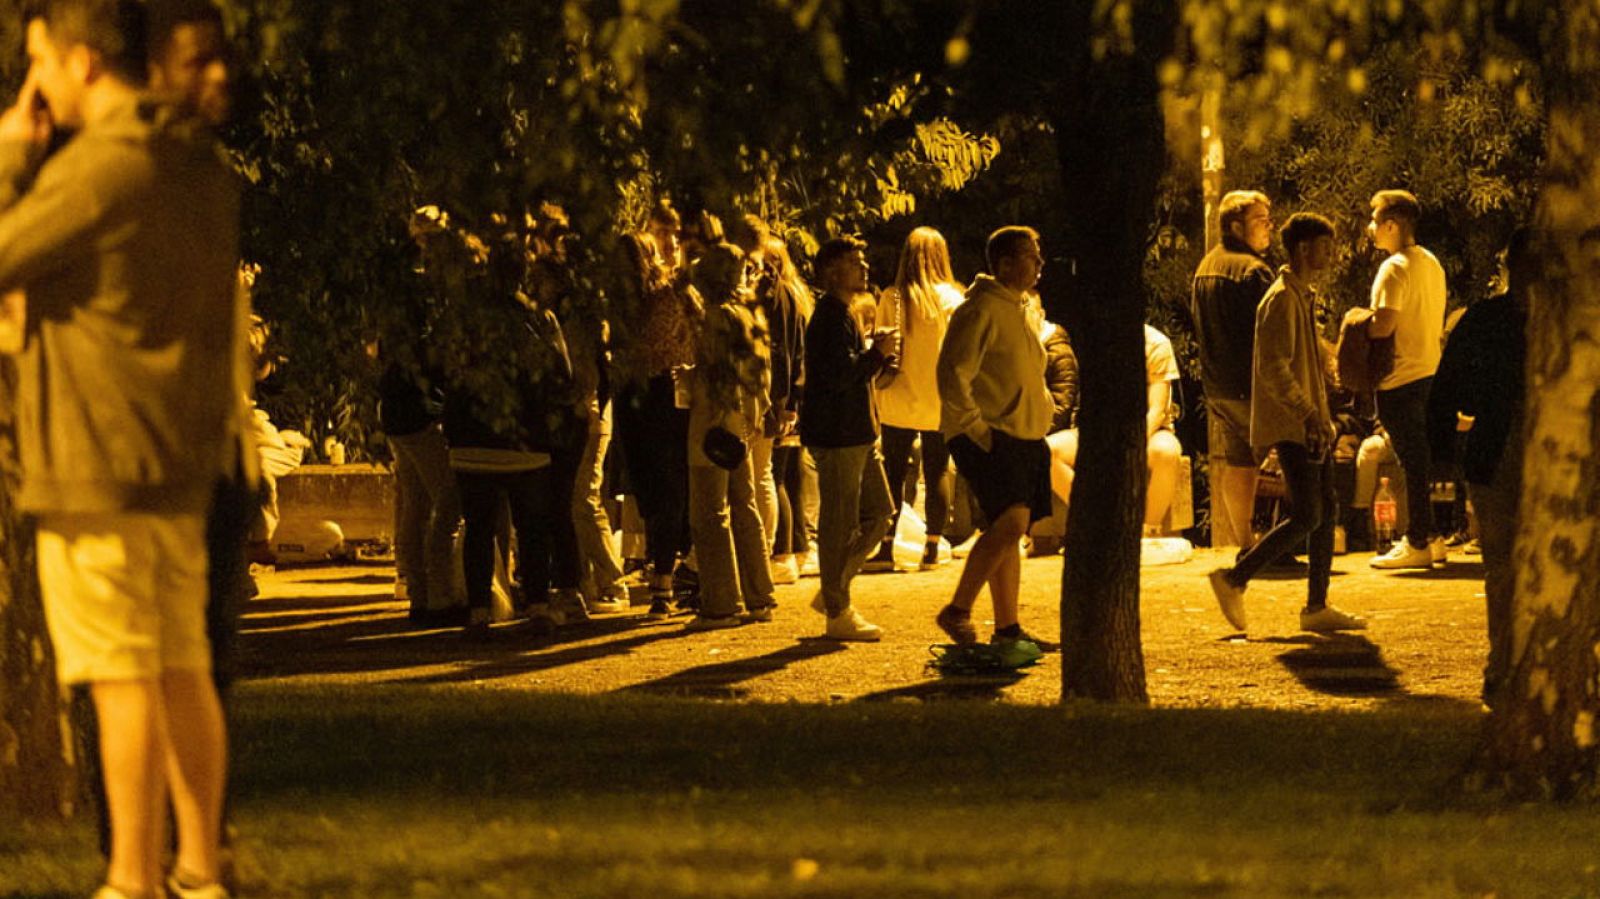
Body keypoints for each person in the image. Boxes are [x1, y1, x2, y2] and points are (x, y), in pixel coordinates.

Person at [0, 3, 241, 897]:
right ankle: (198, 869)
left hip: (96, 461)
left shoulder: (101, 168)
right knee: (182, 664)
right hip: (176, 461)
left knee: (119, 674)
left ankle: (132, 879)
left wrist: (8, 153)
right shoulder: (200, 166)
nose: (36, 86)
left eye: (40, 65)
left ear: (82, 63)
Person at [1208, 214, 1365, 634]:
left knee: (1324, 509)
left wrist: (1322, 415)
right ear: (1301, 250)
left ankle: (1316, 606)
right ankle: (1235, 578)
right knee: (1309, 514)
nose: (1330, 256)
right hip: (1295, 426)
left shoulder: (1299, 295)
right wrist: (1309, 414)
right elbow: (1275, 367)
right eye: (1324, 247)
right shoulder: (1280, 298)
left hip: (1309, 424)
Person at [933, 226, 1057, 656]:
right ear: (1004, 263)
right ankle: (958, 608)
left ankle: (1008, 628)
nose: (1039, 264)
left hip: (1020, 434)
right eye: (1030, 256)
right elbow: (953, 372)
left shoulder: (1019, 308)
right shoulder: (981, 307)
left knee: (1009, 529)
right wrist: (978, 430)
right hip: (991, 435)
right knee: (1011, 523)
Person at [1428, 228, 1532, 706]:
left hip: (1496, 446)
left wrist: (1444, 455)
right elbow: (1447, 392)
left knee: (1503, 567)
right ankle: (1511, 667)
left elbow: (1448, 390)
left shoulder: (1485, 320)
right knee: (1510, 566)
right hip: (1506, 448)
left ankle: (1506, 667)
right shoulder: (1570, 321)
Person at [800, 236, 899, 641]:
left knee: (880, 513)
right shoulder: (828, 317)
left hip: (858, 432)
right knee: (839, 521)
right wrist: (877, 354)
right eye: (855, 263)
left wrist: (878, 356)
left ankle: (833, 589)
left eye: (863, 261)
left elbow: (850, 374)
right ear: (831, 271)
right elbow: (840, 376)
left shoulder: (845, 314)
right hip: (839, 435)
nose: (865, 269)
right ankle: (838, 610)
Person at [612, 202, 702, 617]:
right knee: (654, 487)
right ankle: (670, 572)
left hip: (661, 388)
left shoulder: (670, 290)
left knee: (662, 486)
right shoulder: (648, 295)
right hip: (649, 389)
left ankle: (666, 579)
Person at [683, 242, 776, 629]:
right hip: (744, 421)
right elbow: (759, 374)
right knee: (744, 504)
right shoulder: (747, 315)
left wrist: (691, 379)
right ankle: (759, 595)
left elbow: (717, 375)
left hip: (714, 421)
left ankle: (720, 603)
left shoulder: (715, 318)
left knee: (710, 513)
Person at [867, 226, 965, 572]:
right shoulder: (953, 298)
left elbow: (881, 345)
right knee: (937, 468)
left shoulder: (892, 297)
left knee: (893, 470)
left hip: (897, 393)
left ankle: (886, 545)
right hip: (939, 396)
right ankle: (932, 546)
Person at [1364, 189, 1449, 570]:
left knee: (1411, 461)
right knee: (1422, 459)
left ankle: (1416, 542)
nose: (1370, 228)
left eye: (1375, 220)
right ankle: (1431, 537)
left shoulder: (1394, 267)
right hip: (1430, 372)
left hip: (1398, 377)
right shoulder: (1431, 263)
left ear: (1392, 225)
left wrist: (1355, 327)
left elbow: (1383, 326)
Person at [1191, 190, 1275, 549]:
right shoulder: (1252, 271)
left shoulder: (1206, 266)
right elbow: (1272, 332)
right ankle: (1281, 542)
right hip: (1251, 384)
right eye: (1260, 220)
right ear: (1236, 225)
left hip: (1218, 386)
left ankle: (1245, 542)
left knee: (1239, 462)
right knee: (1291, 454)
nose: (1268, 228)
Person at [760, 234, 812, 583]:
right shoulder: (798, 295)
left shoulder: (777, 298)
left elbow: (783, 352)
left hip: (783, 396)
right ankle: (795, 548)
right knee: (787, 476)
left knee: (774, 476)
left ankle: (781, 552)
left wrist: (784, 402)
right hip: (795, 394)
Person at [1141, 323, 1186, 534]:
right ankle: (1098, 521)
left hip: (1151, 431)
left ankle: (1148, 529)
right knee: (1052, 451)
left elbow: (1157, 410)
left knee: (1167, 453)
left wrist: (1130, 444)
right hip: (1101, 430)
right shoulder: (1096, 339)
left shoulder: (1155, 343)